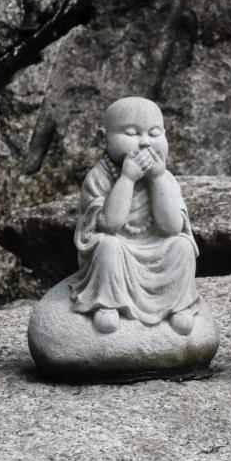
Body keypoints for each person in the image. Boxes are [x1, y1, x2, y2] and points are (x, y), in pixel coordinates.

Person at [70, 97, 200, 335]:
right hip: (120, 247)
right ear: (103, 139)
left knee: (182, 245)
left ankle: (179, 305)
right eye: (132, 133)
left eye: (154, 133)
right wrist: (127, 179)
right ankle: (107, 303)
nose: (144, 143)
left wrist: (158, 178)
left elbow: (172, 226)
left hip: (156, 245)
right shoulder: (99, 177)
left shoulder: (166, 178)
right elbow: (110, 224)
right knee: (107, 246)